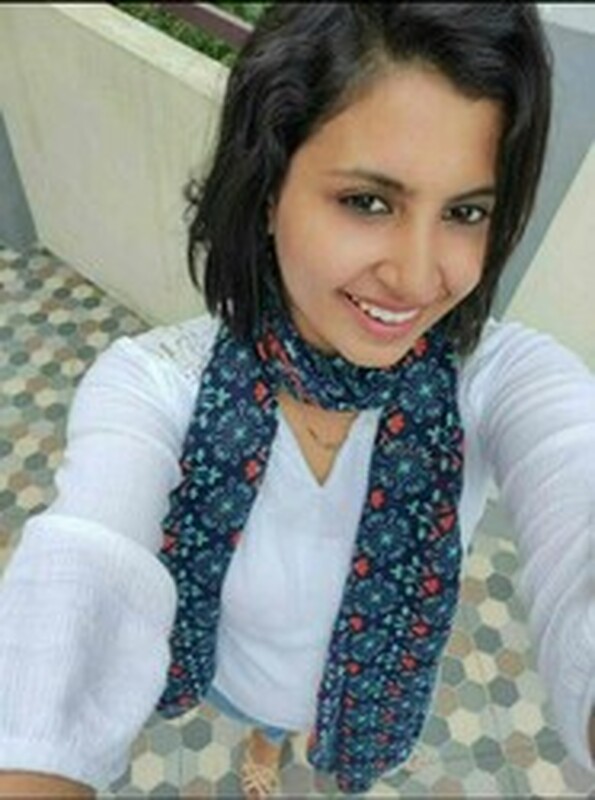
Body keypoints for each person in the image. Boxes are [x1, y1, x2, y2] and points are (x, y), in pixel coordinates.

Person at [0, 2, 594, 798]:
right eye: (368, 201)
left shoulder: (494, 380)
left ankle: (309, 732)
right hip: (241, 675)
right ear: (269, 188)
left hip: (370, 691)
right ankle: (269, 738)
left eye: (464, 212)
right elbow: (84, 569)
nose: (418, 277)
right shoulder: (157, 386)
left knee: (318, 716)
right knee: (270, 719)